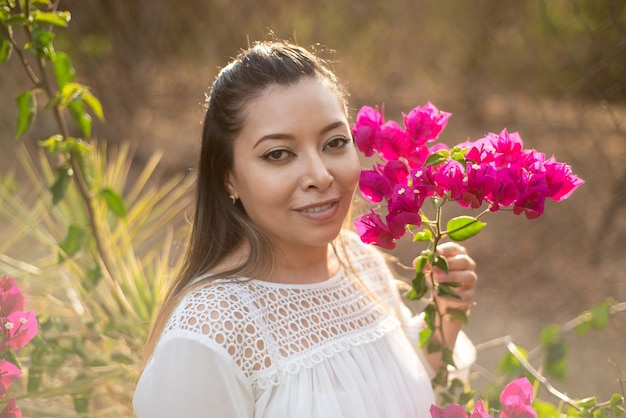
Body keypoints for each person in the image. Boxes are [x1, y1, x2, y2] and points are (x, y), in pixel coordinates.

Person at [133, 40, 477, 418]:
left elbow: (386, 395)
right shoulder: (210, 332)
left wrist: (445, 317)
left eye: (334, 142)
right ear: (229, 178)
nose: (319, 175)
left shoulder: (362, 263)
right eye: (278, 154)